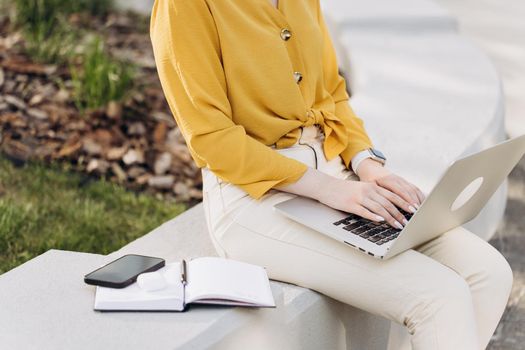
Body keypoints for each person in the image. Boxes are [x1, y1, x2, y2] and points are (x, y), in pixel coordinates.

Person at [149, 0, 514, 348]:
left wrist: (367, 164)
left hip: (338, 176)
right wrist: (329, 189)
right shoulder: (183, 6)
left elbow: (332, 94)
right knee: (439, 296)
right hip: (255, 198)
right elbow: (212, 140)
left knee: (489, 274)